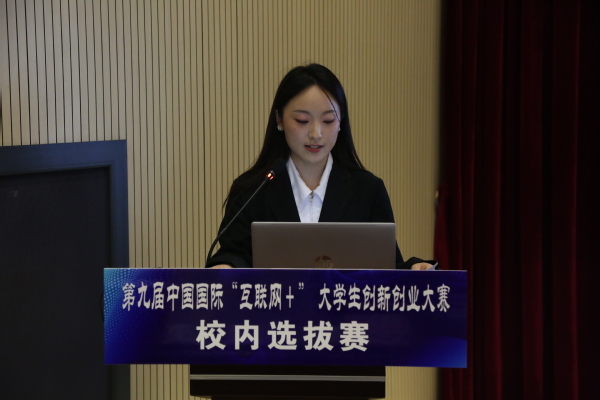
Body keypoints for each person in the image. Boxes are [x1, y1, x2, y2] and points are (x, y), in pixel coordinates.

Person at [207, 64, 435, 270]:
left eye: (328, 121)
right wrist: (225, 267)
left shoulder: (368, 190)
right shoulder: (253, 189)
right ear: (279, 119)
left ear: (341, 121)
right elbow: (233, 254)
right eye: (302, 121)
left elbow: (388, 266)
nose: (316, 134)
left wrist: (415, 268)